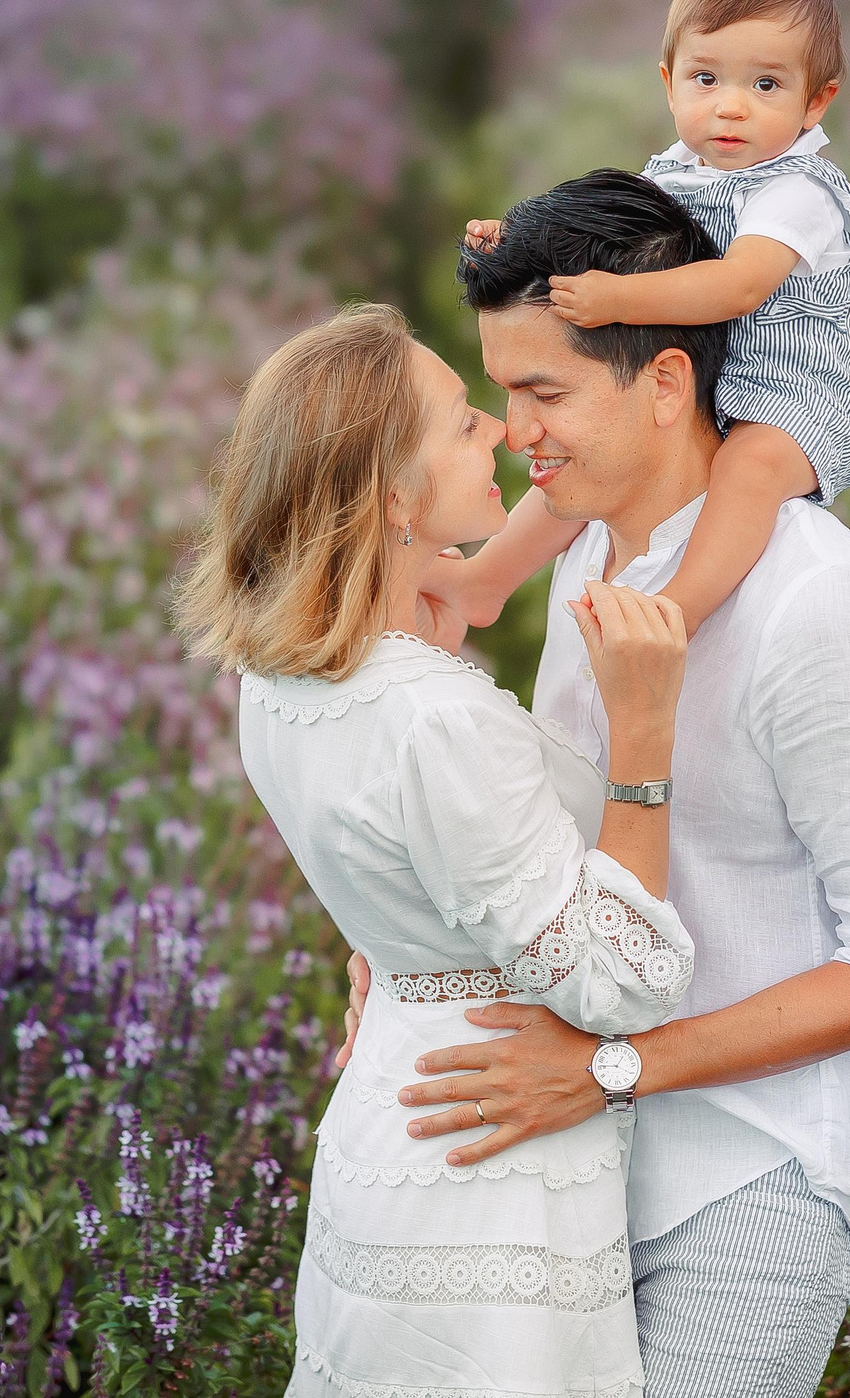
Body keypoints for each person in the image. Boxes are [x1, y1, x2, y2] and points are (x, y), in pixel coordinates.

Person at [369, 171, 850, 1396]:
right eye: (500, 391)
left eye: (544, 392)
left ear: (663, 384)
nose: (515, 429)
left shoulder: (818, 615)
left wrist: (606, 1069)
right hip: (579, 1153)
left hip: (755, 1169)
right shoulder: (591, 540)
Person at [176, 301, 699, 1398]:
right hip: (492, 1171)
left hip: (392, 1138)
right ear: (390, 494)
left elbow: (394, 883)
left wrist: (389, 954)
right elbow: (617, 981)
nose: (504, 434)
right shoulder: (432, 718)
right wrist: (642, 737)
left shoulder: (277, 681)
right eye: (465, 424)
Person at [431, 0, 850, 632]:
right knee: (581, 457)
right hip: (711, 370)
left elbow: (738, 286)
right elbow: (599, 229)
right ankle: (486, 579)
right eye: (706, 79)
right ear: (669, 82)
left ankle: (679, 608)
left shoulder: (799, 191)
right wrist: (513, 239)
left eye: (765, 86)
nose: (730, 108)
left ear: (816, 103)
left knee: (747, 469)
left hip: (791, 395)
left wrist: (615, 300)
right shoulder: (677, 171)